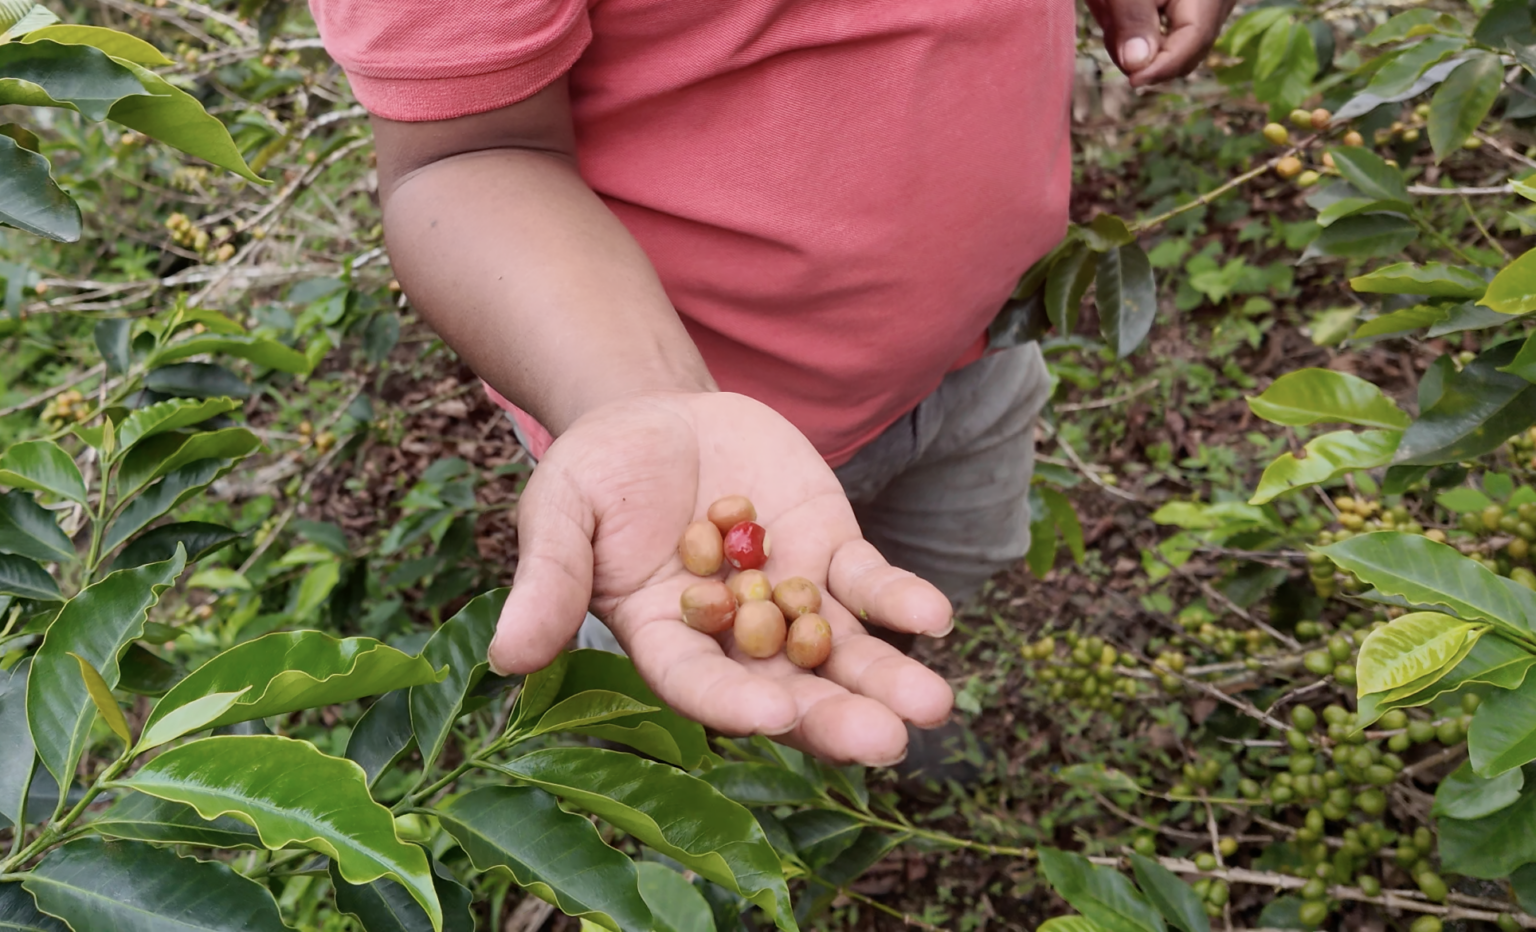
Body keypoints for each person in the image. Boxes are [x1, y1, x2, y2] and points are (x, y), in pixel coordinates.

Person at [309, 0, 1235, 770]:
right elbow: (464, 155)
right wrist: (649, 397)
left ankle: (856, 769)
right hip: (690, 453)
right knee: (683, 726)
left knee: (924, 595)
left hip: (976, 359)